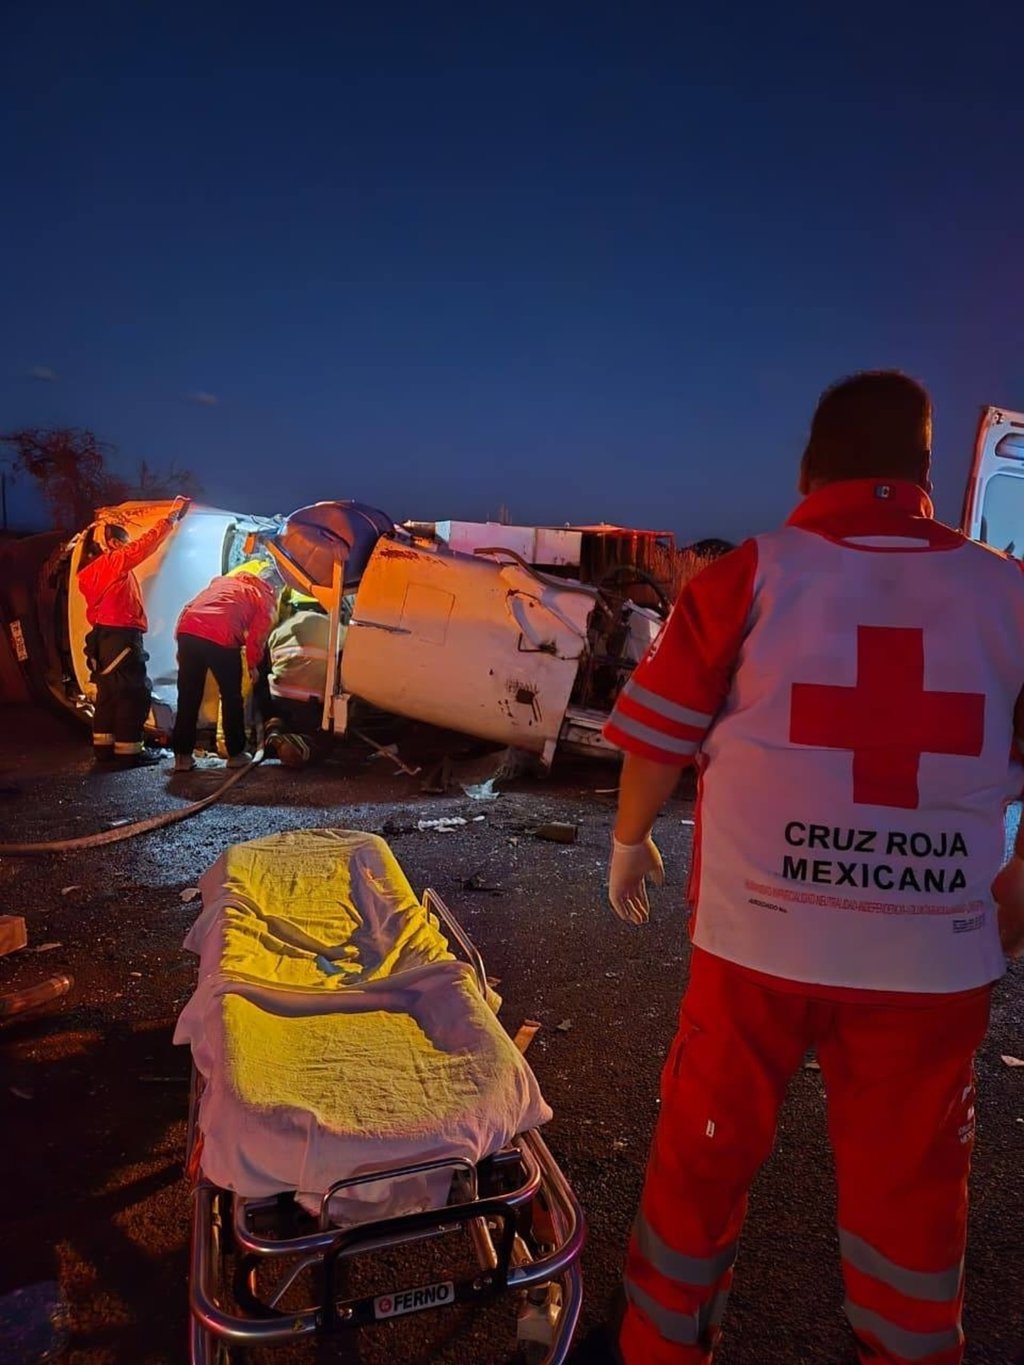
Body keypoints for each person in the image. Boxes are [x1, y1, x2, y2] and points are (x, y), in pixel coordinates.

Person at [602, 371, 1024, 1365]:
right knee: (910, 1203)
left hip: (755, 944)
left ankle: (662, 1348)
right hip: (930, 969)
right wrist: (1011, 897)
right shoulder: (1009, 591)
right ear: (922, 471)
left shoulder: (748, 574)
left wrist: (628, 846)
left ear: (806, 468)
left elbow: (656, 742)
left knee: (699, 1167)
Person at [76, 497, 190, 767]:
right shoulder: (113, 562)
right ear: (114, 544)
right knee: (133, 692)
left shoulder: (87, 574)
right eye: (123, 544)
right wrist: (169, 519)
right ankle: (128, 752)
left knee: (109, 694)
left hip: (102, 639)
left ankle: (104, 749)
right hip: (122, 637)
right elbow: (144, 546)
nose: (127, 549)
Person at [171, 561, 280, 772]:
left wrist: (180, 645)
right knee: (231, 696)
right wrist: (253, 665)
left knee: (188, 697)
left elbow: (188, 607)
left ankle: (182, 757)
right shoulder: (263, 595)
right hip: (221, 637)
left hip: (188, 632)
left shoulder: (222, 583)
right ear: (274, 586)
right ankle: (236, 753)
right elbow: (257, 634)